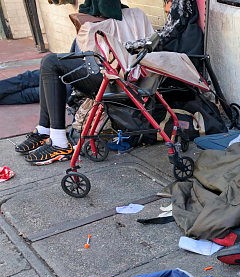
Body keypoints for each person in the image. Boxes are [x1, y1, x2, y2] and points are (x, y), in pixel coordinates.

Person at [14, 0, 202, 166]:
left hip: (121, 81)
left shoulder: (110, 22)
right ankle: (45, 129)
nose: (166, 8)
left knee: (50, 63)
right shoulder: (134, 17)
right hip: (124, 75)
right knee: (48, 65)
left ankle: (58, 142)